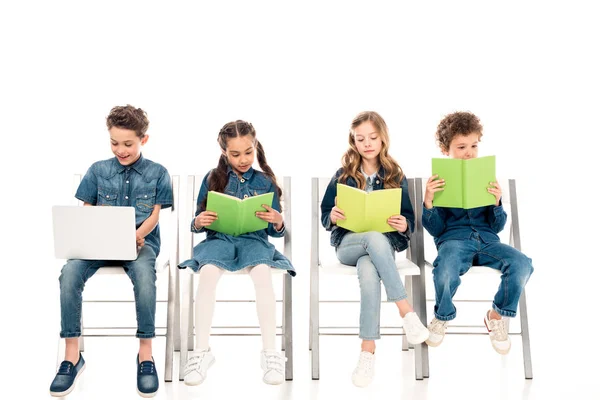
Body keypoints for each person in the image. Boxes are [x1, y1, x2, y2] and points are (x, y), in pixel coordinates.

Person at [50, 105, 173, 398]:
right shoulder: (98, 170)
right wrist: (100, 232)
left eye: (128, 144)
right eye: (114, 143)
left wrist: (136, 236)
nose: (121, 149)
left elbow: (155, 216)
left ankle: (145, 354)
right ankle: (71, 356)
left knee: (145, 274)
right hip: (98, 243)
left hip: (140, 244)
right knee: (69, 273)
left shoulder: (158, 173)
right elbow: (86, 212)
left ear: (143, 140)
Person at [179, 120, 294, 386]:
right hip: (219, 240)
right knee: (207, 273)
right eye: (235, 154)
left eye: (248, 152)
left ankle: (270, 353)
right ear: (224, 152)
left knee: (263, 274)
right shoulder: (212, 178)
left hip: (254, 241)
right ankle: (201, 352)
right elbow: (196, 222)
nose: (243, 159)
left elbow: (277, 232)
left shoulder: (265, 181)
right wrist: (199, 221)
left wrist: (277, 220)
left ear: (255, 147)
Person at [320, 111, 429, 388]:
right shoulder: (342, 175)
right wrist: (332, 215)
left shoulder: (395, 174)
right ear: (353, 142)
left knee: (370, 271)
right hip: (348, 245)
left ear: (382, 138)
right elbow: (324, 215)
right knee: (372, 239)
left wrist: (404, 224)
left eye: (372, 137)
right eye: (360, 139)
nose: (367, 143)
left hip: (380, 250)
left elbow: (409, 219)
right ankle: (406, 312)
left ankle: (367, 352)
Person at [423, 111, 534, 355]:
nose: (469, 152)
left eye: (473, 145)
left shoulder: (484, 176)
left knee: (522, 263)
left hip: (487, 241)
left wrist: (496, 202)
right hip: (454, 241)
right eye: (461, 146)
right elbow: (436, 229)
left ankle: (496, 315)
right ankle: (442, 316)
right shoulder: (439, 181)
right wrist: (429, 202)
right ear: (446, 149)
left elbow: (497, 227)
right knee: (445, 268)